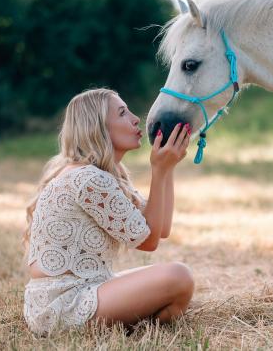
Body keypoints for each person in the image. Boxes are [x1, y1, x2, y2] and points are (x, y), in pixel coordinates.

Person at [22, 88, 194, 336]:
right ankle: (134, 326)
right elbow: (150, 241)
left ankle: (129, 327)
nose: (136, 119)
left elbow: (162, 228)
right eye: (123, 113)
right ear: (98, 127)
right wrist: (158, 169)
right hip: (64, 303)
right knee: (178, 277)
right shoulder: (88, 178)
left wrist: (167, 169)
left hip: (78, 292)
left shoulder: (100, 174)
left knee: (176, 282)